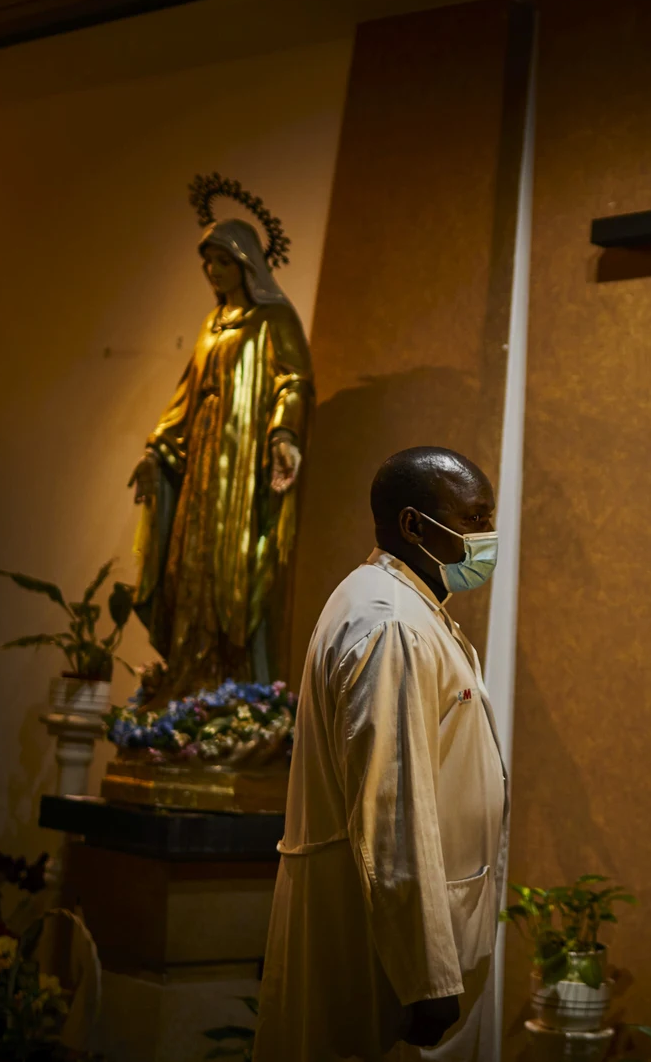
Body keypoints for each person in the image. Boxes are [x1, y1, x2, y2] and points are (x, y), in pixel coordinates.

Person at [255, 447, 507, 1061]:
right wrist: (426, 978)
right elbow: (393, 807)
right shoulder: (391, 622)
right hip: (382, 958)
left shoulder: (405, 606)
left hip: (404, 937)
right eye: (473, 519)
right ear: (415, 525)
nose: (487, 537)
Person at [128, 217, 313, 704]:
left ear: (247, 264)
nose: (213, 269)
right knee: (187, 570)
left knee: (235, 572)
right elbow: (185, 399)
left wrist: (284, 433)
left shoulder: (274, 320)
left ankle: (236, 690)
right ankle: (190, 681)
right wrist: (156, 451)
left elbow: (294, 380)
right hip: (201, 475)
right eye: (208, 261)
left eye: (224, 260)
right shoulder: (211, 326)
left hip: (242, 478)